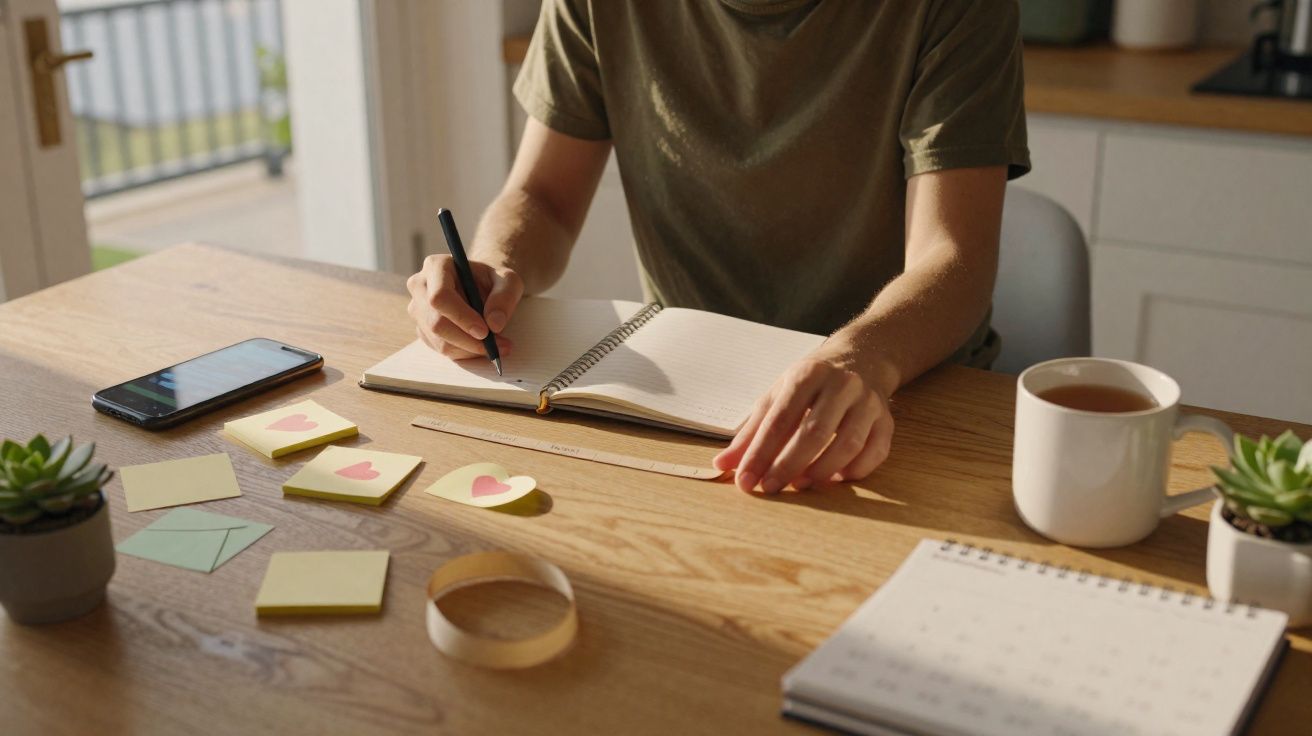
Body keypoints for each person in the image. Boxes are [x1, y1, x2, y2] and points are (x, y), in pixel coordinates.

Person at [406, 0, 1030, 494]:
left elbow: (954, 258)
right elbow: (543, 196)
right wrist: (492, 268)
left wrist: (857, 358)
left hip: (905, 396)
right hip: (687, 410)